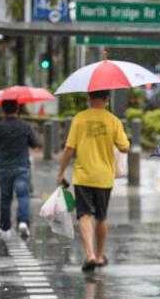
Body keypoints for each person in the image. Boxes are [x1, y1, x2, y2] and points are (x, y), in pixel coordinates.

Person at [56, 90, 130, 272]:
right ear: (107, 99)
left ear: (89, 98)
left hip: (83, 175)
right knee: (101, 216)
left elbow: (69, 149)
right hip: (104, 177)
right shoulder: (113, 121)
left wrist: (60, 172)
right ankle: (99, 255)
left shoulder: (79, 119)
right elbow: (125, 147)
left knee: (84, 215)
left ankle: (88, 254)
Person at [0, 100, 40, 238]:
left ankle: (5, 228)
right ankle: (23, 222)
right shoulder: (25, 126)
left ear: (3, 109)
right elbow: (35, 144)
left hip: (4, 167)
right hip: (22, 167)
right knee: (23, 196)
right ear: (17, 109)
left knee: (6, 198)